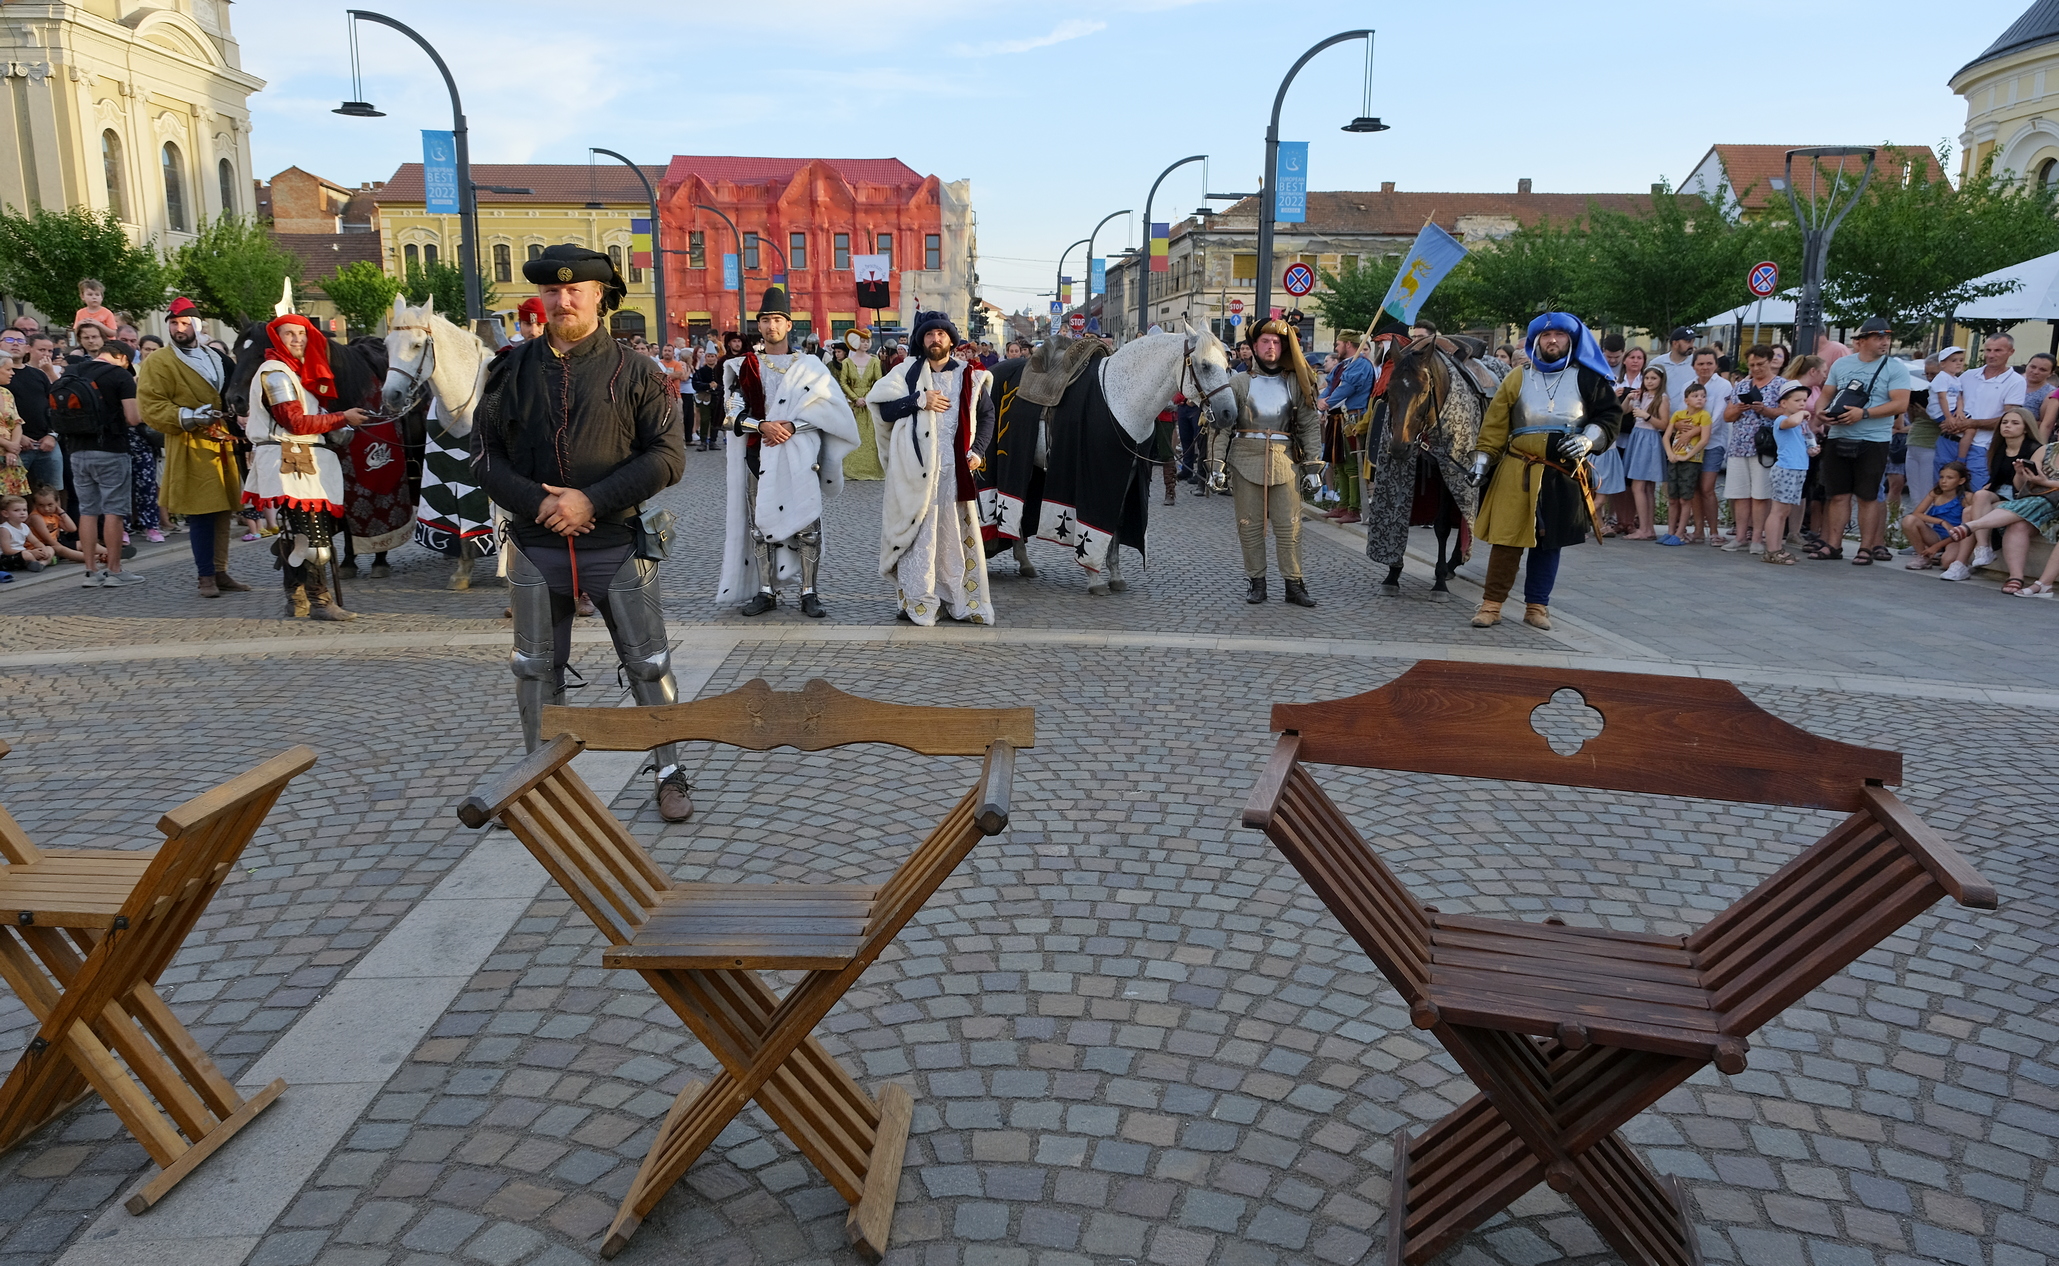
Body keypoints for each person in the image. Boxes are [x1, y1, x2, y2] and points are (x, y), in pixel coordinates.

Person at [475, 243, 692, 821]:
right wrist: (539, 505)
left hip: (617, 541)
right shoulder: (507, 370)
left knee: (649, 664)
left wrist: (590, 500)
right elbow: (483, 457)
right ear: (540, 298)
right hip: (536, 543)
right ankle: (539, 780)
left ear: (600, 294)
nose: (563, 300)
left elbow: (668, 458)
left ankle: (670, 773)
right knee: (532, 667)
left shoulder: (639, 371)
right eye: (552, 291)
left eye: (575, 290)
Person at [1468, 313, 1620, 629]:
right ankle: (1491, 605)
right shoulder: (1517, 377)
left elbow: (1609, 417)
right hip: (1517, 469)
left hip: (1560, 474)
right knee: (1506, 541)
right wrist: (1482, 461)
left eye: (1561, 335)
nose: (1553, 340)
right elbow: (1495, 423)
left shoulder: (1589, 379)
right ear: (1537, 340)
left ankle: (1537, 606)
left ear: (1571, 340)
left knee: (1549, 542)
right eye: (1547, 335)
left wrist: (1587, 440)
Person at [717, 286, 860, 619]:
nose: (771, 326)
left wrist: (795, 427)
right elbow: (729, 415)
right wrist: (762, 426)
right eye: (765, 320)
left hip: (800, 454)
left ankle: (809, 592)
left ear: (788, 324)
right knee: (759, 523)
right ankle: (766, 590)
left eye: (777, 319)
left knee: (809, 524)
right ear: (759, 325)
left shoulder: (810, 366)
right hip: (759, 453)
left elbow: (830, 409)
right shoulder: (744, 366)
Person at [865, 309, 998, 625]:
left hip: (954, 474)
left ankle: (955, 598)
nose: (935, 339)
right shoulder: (906, 372)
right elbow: (882, 409)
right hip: (914, 472)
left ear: (951, 340)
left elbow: (988, 415)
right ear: (920, 340)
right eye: (928, 334)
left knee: (951, 537)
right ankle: (918, 600)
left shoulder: (970, 374)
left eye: (941, 334)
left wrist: (978, 451)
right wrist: (918, 400)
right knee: (917, 538)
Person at [245, 315, 361, 618]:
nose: (297, 339)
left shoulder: (297, 374)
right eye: (289, 334)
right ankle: (320, 600)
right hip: (289, 458)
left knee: (298, 534)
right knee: (313, 539)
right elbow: (294, 422)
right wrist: (342, 418)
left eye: (301, 333)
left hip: (303, 457)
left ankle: (296, 597)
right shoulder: (275, 373)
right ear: (276, 338)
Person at [138, 295, 252, 598]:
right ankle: (205, 576)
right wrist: (188, 415)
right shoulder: (159, 362)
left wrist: (242, 414)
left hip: (222, 445)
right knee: (201, 512)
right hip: (189, 443)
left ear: (196, 325)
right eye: (173, 323)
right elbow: (150, 405)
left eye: (184, 323)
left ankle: (220, 570)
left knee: (223, 510)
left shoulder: (218, 358)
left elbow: (237, 391)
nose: (178, 328)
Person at [1206, 318, 1323, 607]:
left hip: (1286, 462)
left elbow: (1308, 426)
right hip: (1245, 460)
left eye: (1276, 342)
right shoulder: (1238, 383)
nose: (1270, 347)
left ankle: (1294, 584)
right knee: (1249, 525)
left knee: (1290, 525)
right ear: (1254, 347)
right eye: (1264, 342)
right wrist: (1215, 465)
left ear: (1283, 347)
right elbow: (1221, 427)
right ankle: (1256, 582)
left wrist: (1312, 467)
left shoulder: (1296, 383)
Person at [1810, 317, 1910, 564]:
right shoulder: (1842, 364)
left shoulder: (1895, 367)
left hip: (1874, 439)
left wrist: (1863, 413)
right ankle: (1833, 545)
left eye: (1887, 337)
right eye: (1879, 337)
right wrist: (1822, 413)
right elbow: (1826, 394)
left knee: (1867, 496)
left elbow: (1900, 403)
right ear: (1861, 341)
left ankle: (1866, 548)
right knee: (1838, 495)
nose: (1885, 342)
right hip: (1839, 436)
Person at [54, 337, 142, 586]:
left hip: (77, 450)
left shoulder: (71, 371)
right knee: (114, 510)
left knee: (88, 511)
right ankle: (115, 570)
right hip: (111, 450)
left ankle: (91, 572)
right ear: (123, 357)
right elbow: (133, 418)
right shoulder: (120, 376)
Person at [1942, 334, 2024, 566]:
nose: (1991, 355)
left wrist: (1970, 423)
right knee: (1945, 493)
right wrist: (1948, 419)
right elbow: (1953, 401)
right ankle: (1946, 544)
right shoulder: (1968, 375)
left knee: (1976, 497)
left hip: (1983, 447)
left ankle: (1976, 551)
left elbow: (2008, 418)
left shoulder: (2015, 381)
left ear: (2010, 352)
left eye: (1998, 350)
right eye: (1988, 350)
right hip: (1950, 441)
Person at [1722, 345, 1786, 553]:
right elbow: (1727, 416)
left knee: (1760, 494)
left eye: (1760, 364)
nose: (1756, 368)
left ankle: (1757, 537)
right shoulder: (1741, 386)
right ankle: (1740, 536)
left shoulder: (1781, 385)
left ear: (1770, 362)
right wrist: (1738, 409)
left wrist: (1765, 410)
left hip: (1764, 447)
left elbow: (1787, 413)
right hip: (1740, 445)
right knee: (1739, 493)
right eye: (1752, 365)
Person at [1318, 332, 1374, 525]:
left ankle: (1354, 508)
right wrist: (1322, 400)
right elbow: (1331, 384)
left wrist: (1326, 403)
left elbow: (1346, 387)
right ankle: (1342, 505)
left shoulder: (1361, 364)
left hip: (1354, 417)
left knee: (1352, 463)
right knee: (1339, 462)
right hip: (1339, 417)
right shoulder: (1343, 365)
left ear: (1348, 344)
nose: (1336, 348)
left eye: (1338, 344)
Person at [1759, 382, 1815, 564]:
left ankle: (1777, 548)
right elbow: (1791, 422)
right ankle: (1772, 550)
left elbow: (1804, 442)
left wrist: (1812, 450)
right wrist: (1802, 413)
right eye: (1797, 400)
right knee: (1778, 511)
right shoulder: (1781, 420)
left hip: (1798, 469)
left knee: (1785, 511)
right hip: (1786, 469)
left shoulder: (1802, 424)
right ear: (1783, 403)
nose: (1802, 404)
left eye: (1805, 400)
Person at [1688, 348, 1735, 546]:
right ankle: (1699, 530)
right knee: (1694, 488)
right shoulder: (1687, 385)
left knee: (1707, 488)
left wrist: (1695, 432)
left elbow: (1716, 419)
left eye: (1709, 363)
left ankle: (1714, 531)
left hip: (1713, 444)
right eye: (1700, 364)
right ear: (1694, 366)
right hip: (1690, 446)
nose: (1705, 367)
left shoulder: (1724, 386)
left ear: (1716, 365)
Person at [1619, 363, 1667, 539]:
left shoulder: (1662, 398)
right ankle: (1648, 528)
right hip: (1637, 437)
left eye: (1654, 378)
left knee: (1641, 486)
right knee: (1644, 487)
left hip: (1649, 439)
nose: (1649, 381)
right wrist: (1628, 398)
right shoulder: (1641, 395)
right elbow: (1624, 411)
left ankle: (1645, 529)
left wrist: (1646, 416)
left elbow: (1664, 424)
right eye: (1647, 378)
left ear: (1661, 380)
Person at [1901, 461, 1972, 574]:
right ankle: (1923, 556)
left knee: (1947, 563)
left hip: (1957, 538)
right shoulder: (1936, 493)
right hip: (1937, 535)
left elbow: (1968, 529)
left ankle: (1946, 556)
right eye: (1941, 477)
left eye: (1950, 478)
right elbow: (1917, 514)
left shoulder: (1966, 498)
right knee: (1909, 520)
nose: (1944, 481)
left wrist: (1937, 546)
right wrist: (1941, 522)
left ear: (1961, 481)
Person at [834, 328, 885, 480]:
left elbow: (879, 382)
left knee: (871, 437)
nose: (865, 343)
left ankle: (871, 469)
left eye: (867, 341)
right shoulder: (847, 362)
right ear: (856, 342)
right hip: (853, 406)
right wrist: (855, 398)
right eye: (862, 341)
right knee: (852, 435)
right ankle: (850, 469)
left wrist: (867, 398)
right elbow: (843, 382)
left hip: (869, 407)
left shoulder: (875, 361)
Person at [1661, 383, 1710, 545]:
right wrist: (1670, 453)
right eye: (1696, 396)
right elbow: (1666, 436)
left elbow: (1704, 439)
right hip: (1674, 459)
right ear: (1686, 399)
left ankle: (1680, 533)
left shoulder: (1704, 416)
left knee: (1685, 498)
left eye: (1703, 396)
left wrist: (1688, 455)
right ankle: (1670, 531)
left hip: (1691, 461)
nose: (1700, 399)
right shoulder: (1678, 414)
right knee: (1673, 498)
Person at [1651, 327, 1700, 420]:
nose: (1691, 345)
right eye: (1688, 341)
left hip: (1687, 420)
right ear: (1675, 343)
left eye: (1693, 341)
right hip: (1660, 420)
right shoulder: (1657, 363)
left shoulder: (1697, 363)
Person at [0, 494, 51, 572]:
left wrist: (43, 549)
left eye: (24, 510)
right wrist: (31, 552)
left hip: (25, 553)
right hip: (8, 557)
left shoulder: (24, 526)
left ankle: (41, 563)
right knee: (26, 555)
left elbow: (36, 542)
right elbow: (7, 550)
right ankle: (38, 562)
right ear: (5, 513)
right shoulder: (5, 529)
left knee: (49, 548)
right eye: (16, 510)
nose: (22, 513)